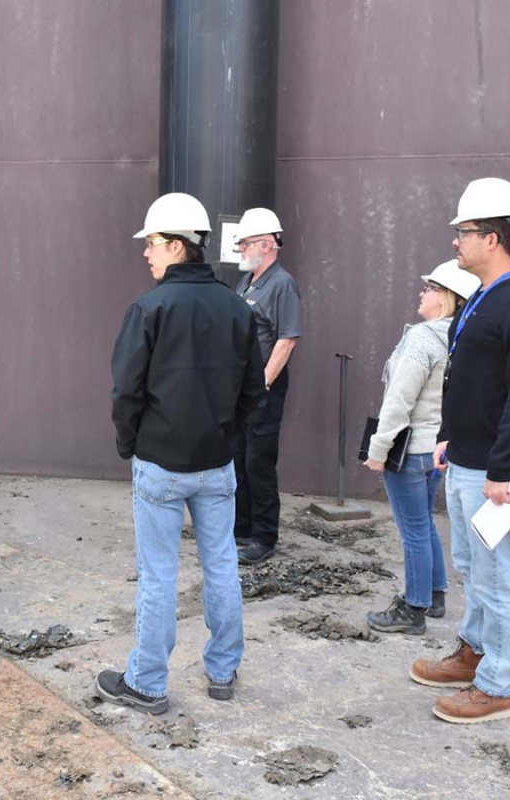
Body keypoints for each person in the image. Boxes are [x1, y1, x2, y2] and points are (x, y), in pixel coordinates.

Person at [95, 193, 264, 714]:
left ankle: (147, 682)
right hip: (216, 464)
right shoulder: (238, 308)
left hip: (161, 464)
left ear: (176, 245)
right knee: (221, 568)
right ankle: (223, 671)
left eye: (151, 243)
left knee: (158, 574)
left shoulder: (149, 308)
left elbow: (126, 390)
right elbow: (253, 391)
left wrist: (131, 444)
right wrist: (226, 440)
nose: (146, 253)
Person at [409, 177, 510, 724]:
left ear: (494, 237)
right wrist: (450, 435)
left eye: (465, 232)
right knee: (473, 568)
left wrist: (502, 467)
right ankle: (474, 652)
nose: (456, 241)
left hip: (496, 473)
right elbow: (472, 378)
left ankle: (499, 684)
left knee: (498, 576)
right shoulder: (482, 297)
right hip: (468, 459)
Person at [364, 260, 479, 635]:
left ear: (447, 298)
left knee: (412, 529)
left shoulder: (422, 338)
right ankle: (435, 593)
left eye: (429, 288)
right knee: (424, 521)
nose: (422, 293)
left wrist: (378, 449)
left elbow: (400, 400)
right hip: (439, 451)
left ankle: (413, 609)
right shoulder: (465, 337)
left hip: (411, 449)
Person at [231, 208, 302, 566]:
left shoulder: (281, 284)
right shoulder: (248, 282)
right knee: (239, 457)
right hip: (243, 388)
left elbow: (286, 340)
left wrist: (261, 384)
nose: (241, 249)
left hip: (264, 388)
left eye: (245, 243)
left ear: (266, 244)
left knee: (258, 460)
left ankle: (263, 536)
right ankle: (241, 527)